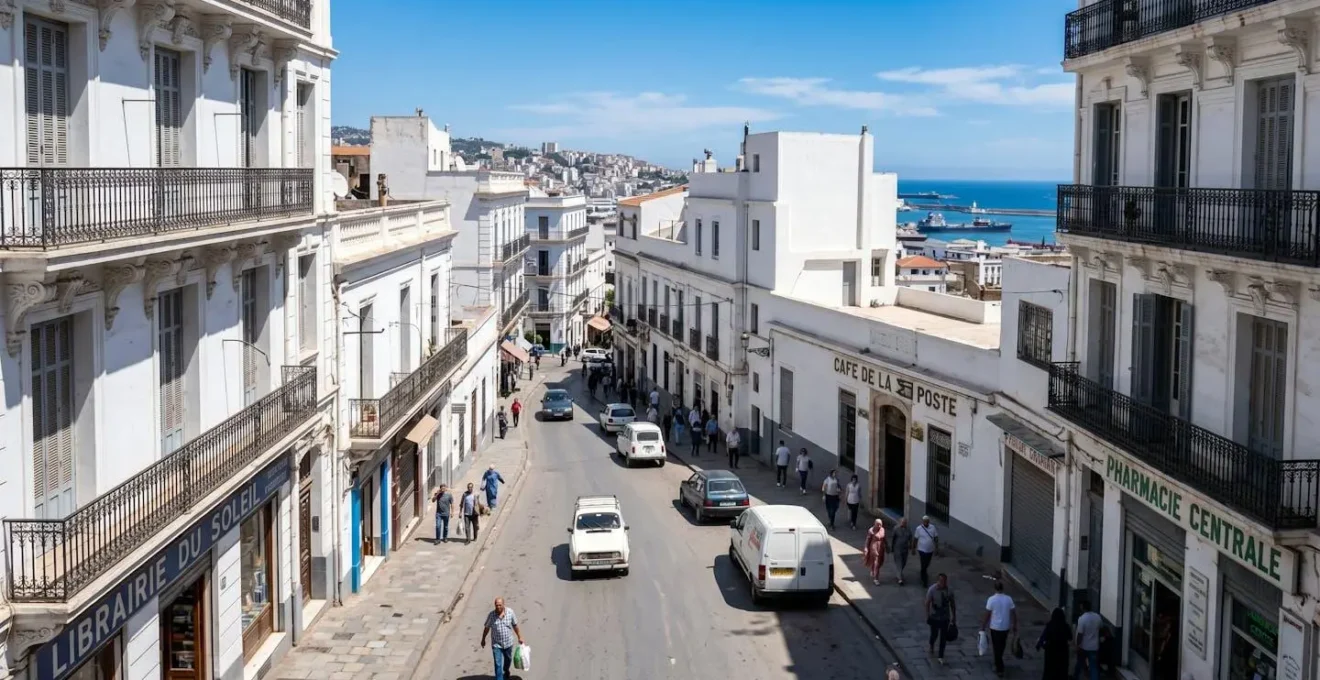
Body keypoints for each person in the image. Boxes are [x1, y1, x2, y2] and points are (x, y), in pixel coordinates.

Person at [480, 597, 524, 680]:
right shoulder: (491, 615)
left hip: (508, 643)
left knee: (508, 660)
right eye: (496, 605)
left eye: (500, 605)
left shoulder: (510, 612)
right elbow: (486, 628)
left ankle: (506, 670)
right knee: (498, 664)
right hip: (497, 644)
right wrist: (483, 639)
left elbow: (515, 626)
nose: (498, 607)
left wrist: (520, 636)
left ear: (504, 605)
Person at [981, 580, 1018, 676]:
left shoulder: (991, 599)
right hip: (1005, 627)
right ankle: (998, 662)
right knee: (1001, 645)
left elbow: (987, 614)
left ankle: (999, 667)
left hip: (995, 627)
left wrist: (983, 626)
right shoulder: (1008, 599)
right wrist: (1015, 625)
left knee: (996, 647)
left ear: (995, 588)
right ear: (1002, 588)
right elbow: (1014, 613)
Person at [924, 573, 955, 665]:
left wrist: (954, 617)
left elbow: (952, 604)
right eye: (941, 581)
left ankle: (941, 655)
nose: (943, 583)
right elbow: (927, 603)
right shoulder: (932, 590)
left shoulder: (949, 590)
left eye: (945, 581)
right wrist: (927, 615)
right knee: (934, 634)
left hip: (945, 617)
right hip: (934, 616)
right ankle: (932, 644)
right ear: (938, 581)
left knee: (943, 637)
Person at [1037, 606, 1072, 680]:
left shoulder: (1050, 625)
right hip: (1063, 651)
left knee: (1049, 669)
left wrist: (1039, 645)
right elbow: (1070, 637)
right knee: (1062, 669)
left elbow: (1044, 636)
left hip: (1051, 651)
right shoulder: (1065, 626)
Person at [1074, 600, 1104, 680]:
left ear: (1082, 607)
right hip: (1094, 647)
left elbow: (1080, 634)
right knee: (1093, 666)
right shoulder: (1097, 617)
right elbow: (1101, 628)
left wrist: (1077, 645)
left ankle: (1076, 677)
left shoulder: (1082, 619)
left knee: (1079, 663)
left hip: (1083, 646)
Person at [915, 515, 940, 588]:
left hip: (930, 550)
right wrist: (913, 548)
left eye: (927, 521)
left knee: (927, 563)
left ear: (929, 521)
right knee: (923, 563)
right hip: (921, 549)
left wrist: (937, 548)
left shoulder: (933, 527)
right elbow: (915, 538)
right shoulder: (918, 528)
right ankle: (924, 579)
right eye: (924, 521)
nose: (926, 522)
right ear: (922, 521)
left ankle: (923, 572)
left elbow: (936, 537)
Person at [890, 517, 913, 585]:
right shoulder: (896, 528)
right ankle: (900, 579)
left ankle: (898, 573)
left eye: (905, 523)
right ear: (900, 522)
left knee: (904, 562)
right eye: (903, 523)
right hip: (897, 548)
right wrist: (892, 548)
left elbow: (910, 537)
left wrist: (911, 545)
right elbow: (893, 539)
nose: (904, 524)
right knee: (899, 563)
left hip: (905, 548)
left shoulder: (908, 529)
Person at [863, 519, 887, 585]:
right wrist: (866, 548)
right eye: (878, 524)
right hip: (874, 547)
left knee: (880, 561)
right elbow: (867, 540)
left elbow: (884, 538)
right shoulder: (871, 530)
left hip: (881, 547)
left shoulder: (883, 529)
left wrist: (887, 546)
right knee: (877, 563)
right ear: (874, 524)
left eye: (880, 524)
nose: (879, 526)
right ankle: (876, 579)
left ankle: (872, 569)